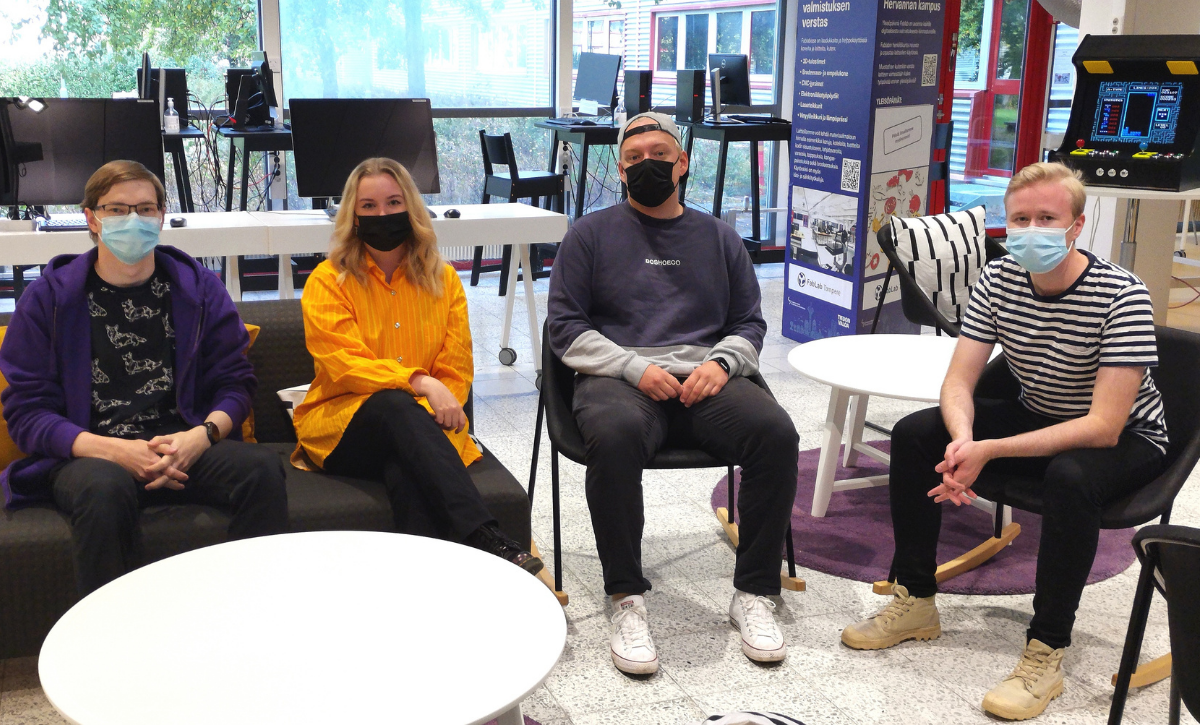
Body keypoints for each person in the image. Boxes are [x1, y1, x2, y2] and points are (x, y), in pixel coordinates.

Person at [841, 162, 1167, 720]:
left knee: (1070, 476)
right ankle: (915, 600)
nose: (1032, 229)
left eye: (1047, 218)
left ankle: (1046, 650)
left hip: (1127, 437)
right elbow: (959, 381)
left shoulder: (1122, 294)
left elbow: (1103, 426)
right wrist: (963, 440)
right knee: (916, 435)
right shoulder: (998, 279)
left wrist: (988, 451)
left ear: (1077, 225)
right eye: (1021, 218)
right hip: (1039, 411)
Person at [547, 113, 800, 675]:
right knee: (612, 436)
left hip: (706, 379)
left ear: (682, 162)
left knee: (776, 434)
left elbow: (749, 323)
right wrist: (633, 368)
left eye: (659, 154)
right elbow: (565, 327)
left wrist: (722, 362)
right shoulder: (588, 235)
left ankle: (754, 592)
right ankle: (625, 597)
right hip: (620, 381)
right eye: (633, 158)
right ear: (620, 170)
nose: (647, 165)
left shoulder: (719, 237)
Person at [0, 160, 289, 596]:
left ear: (161, 215)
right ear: (91, 218)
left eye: (145, 208)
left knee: (262, 470)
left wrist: (202, 436)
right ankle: (109, 632)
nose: (133, 219)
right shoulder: (49, 299)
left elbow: (235, 383)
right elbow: (26, 412)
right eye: (117, 209)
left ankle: (255, 608)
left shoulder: (199, 289)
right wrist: (113, 450)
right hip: (92, 454)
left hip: (184, 444)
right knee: (103, 489)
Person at [292, 157, 542, 574]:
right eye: (368, 206)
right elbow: (346, 366)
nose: (383, 214)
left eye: (393, 202)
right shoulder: (327, 280)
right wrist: (421, 383)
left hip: (420, 430)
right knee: (393, 404)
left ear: (411, 207)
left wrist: (428, 409)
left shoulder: (444, 279)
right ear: (352, 215)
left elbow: (456, 368)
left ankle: (422, 586)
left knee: (407, 468)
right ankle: (485, 536)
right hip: (343, 428)